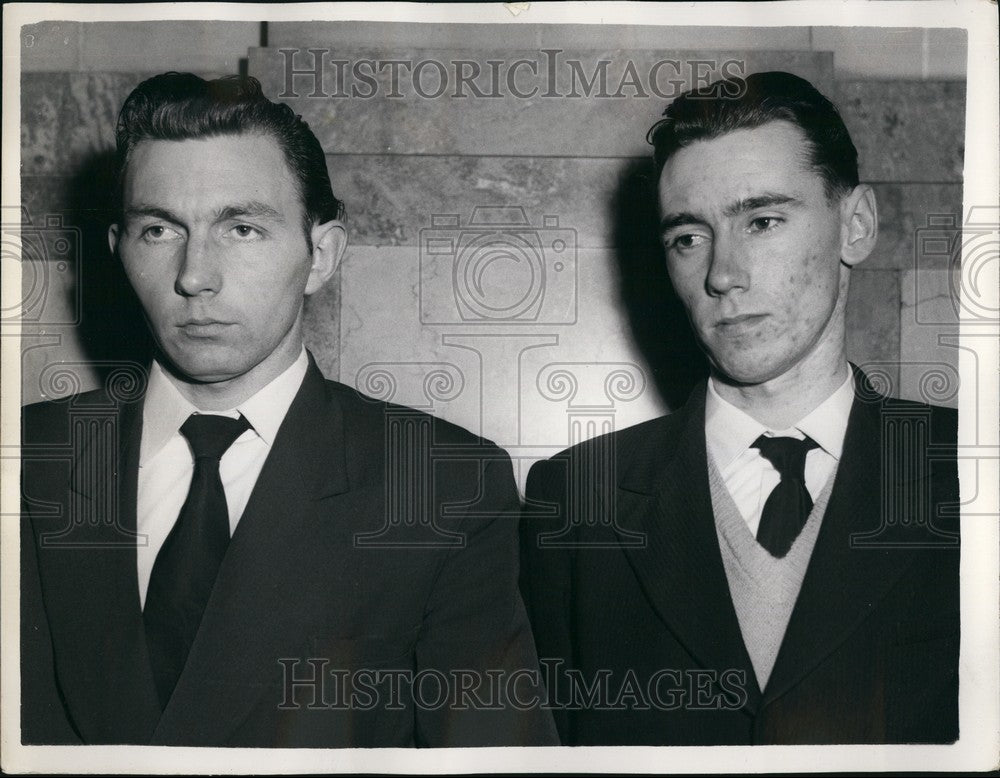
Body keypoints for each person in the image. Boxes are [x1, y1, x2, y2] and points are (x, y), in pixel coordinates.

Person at [21, 72, 557, 748]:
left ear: (321, 256)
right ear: (117, 252)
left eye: (242, 228)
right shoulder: (24, 459)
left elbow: (494, 759)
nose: (195, 275)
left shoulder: (444, 486)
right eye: (159, 230)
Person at [520, 71, 960, 745]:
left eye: (763, 221)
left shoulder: (968, 472)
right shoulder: (576, 500)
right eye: (689, 237)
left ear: (857, 225)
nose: (723, 273)